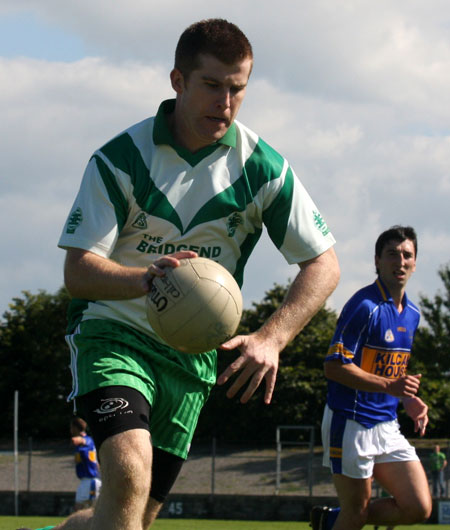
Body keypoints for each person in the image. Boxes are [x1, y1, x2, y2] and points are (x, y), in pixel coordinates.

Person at [33, 18, 339, 530]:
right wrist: (145, 280)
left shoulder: (263, 168)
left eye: (237, 89)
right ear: (178, 82)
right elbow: (78, 271)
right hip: (115, 336)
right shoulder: (121, 159)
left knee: (133, 518)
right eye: (212, 86)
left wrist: (273, 337)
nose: (225, 102)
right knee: (130, 477)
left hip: (191, 361)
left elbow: (324, 263)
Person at [310, 226, 432, 530]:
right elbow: (334, 367)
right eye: (392, 254)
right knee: (356, 513)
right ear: (377, 260)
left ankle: (331, 520)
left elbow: (391, 370)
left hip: (386, 424)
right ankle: (343, 518)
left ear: (415, 263)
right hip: (351, 422)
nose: (400, 261)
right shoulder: (364, 306)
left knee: (419, 507)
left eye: (407, 255)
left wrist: (407, 398)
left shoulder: (413, 314)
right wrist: (391, 386)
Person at [70, 417, 102, 511]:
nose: (70, 430)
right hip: (90, 481)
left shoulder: (87, 440)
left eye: (71, 428)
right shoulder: (90, 441)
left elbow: (81, 440)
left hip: (89, 481)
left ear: (75, 428)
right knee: (90, 511)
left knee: (79, 510)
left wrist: (76, 440)